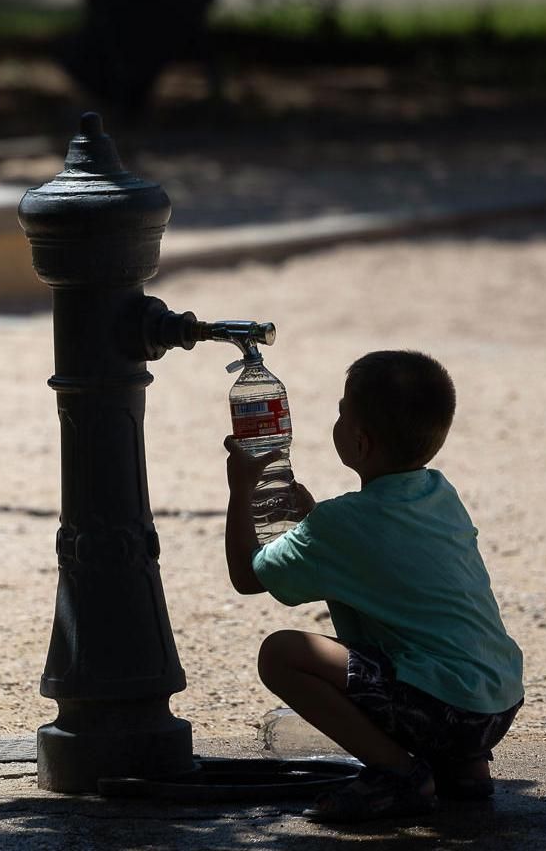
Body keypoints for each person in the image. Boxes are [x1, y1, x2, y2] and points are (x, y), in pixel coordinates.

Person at [224, 349, 524, 822]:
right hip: (497, 703)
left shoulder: (339, 524)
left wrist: (240, 489)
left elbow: (246, 575)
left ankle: (399, 773)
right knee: (423, 654)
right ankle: (465, 770)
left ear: (360, 443)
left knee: (281, 653)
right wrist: (316, 520)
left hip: (441, 708)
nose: (336, 421)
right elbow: (389, 559)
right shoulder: (440, 493)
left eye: (341, 412)